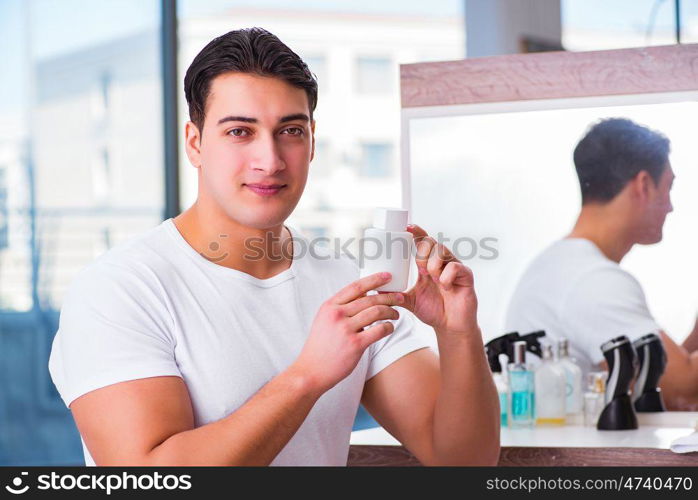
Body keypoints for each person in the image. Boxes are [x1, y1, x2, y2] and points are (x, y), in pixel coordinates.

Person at [48, 28, 499, 466]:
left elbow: (463, 459)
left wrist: (458, 332)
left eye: (291, 131)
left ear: (312, 142)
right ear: (194, 143)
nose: (271, 160)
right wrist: (306, 377)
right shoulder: (120, 289)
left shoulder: (350, 283)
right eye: (240, 132)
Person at [505, 117, 698, 410]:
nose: (671, 207)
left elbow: (651, 381)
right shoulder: (592, 280)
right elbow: (681, 392)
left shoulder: (561, 266)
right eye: (668, 188)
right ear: (644, 185)